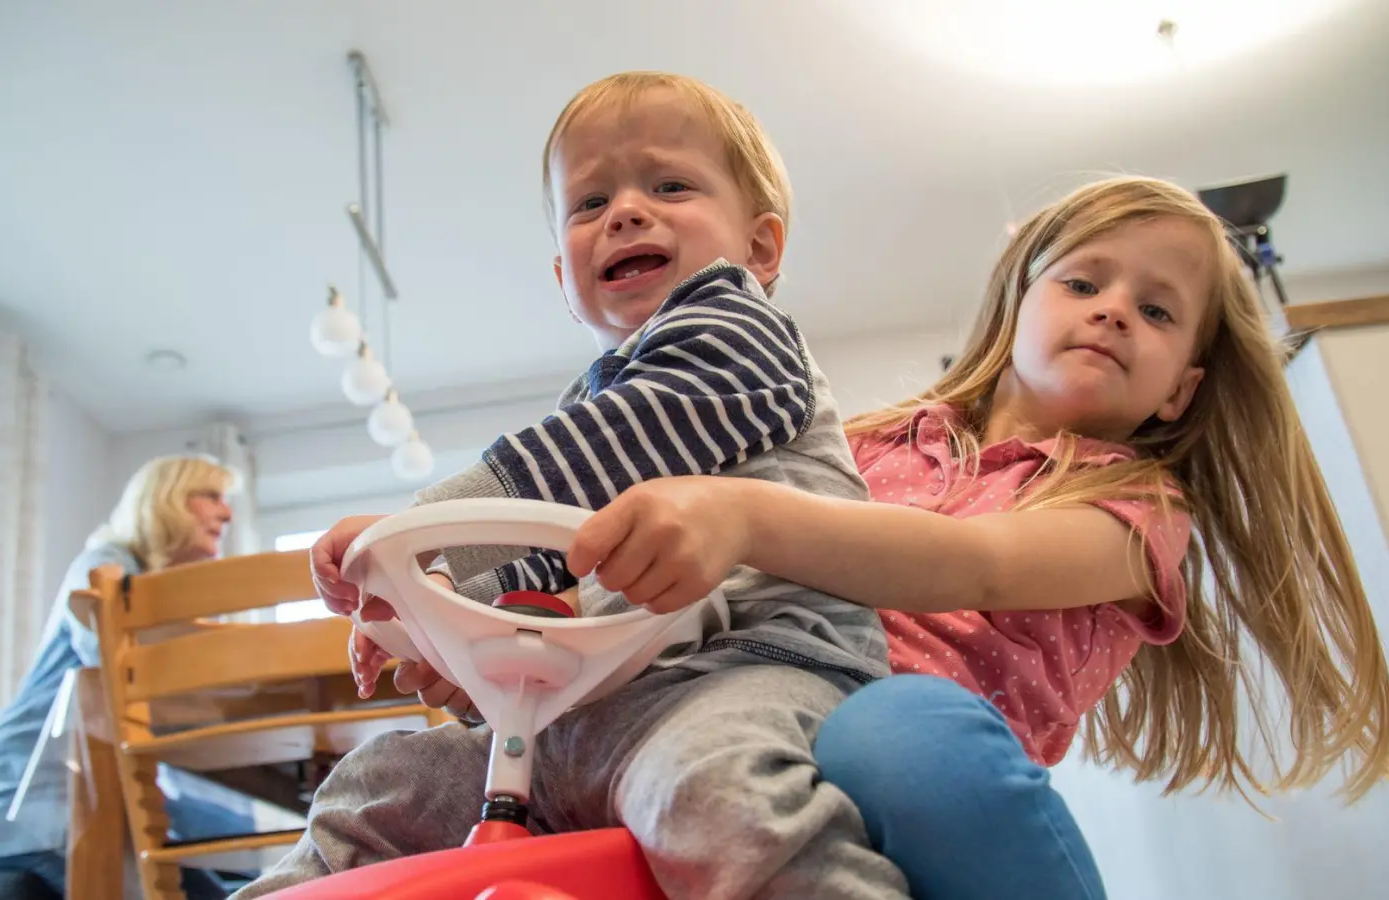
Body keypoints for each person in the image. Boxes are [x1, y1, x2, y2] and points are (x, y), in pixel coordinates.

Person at [565, 175, 1389, 899]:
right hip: (758, 726)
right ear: (1017, 303)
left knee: (894, 729)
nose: (1113, 311)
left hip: (918, 781)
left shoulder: (1138, 509)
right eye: (1082, 283)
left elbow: (982, 568)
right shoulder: (869, 441)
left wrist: (742, 515)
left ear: (1180, 391)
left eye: (1155, 310)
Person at [235, 72, 908, 899]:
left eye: (670, 185)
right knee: (382, 786)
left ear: (760, 248)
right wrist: (434, 606)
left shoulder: (741, 337)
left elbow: (605, 453)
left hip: (750, 668)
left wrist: (433, 528)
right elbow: (547, 557)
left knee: (712, 789)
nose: (625, 211)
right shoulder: (585, 405)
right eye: (589, 204)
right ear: (564, 277)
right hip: (592, 712)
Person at [0, 455, 257, 900]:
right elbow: (123, 671)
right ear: (165, 501)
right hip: (14, 809)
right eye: (211, 496)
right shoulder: (104, 564)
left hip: (77, 810)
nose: (226, 513)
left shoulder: (145, 589)